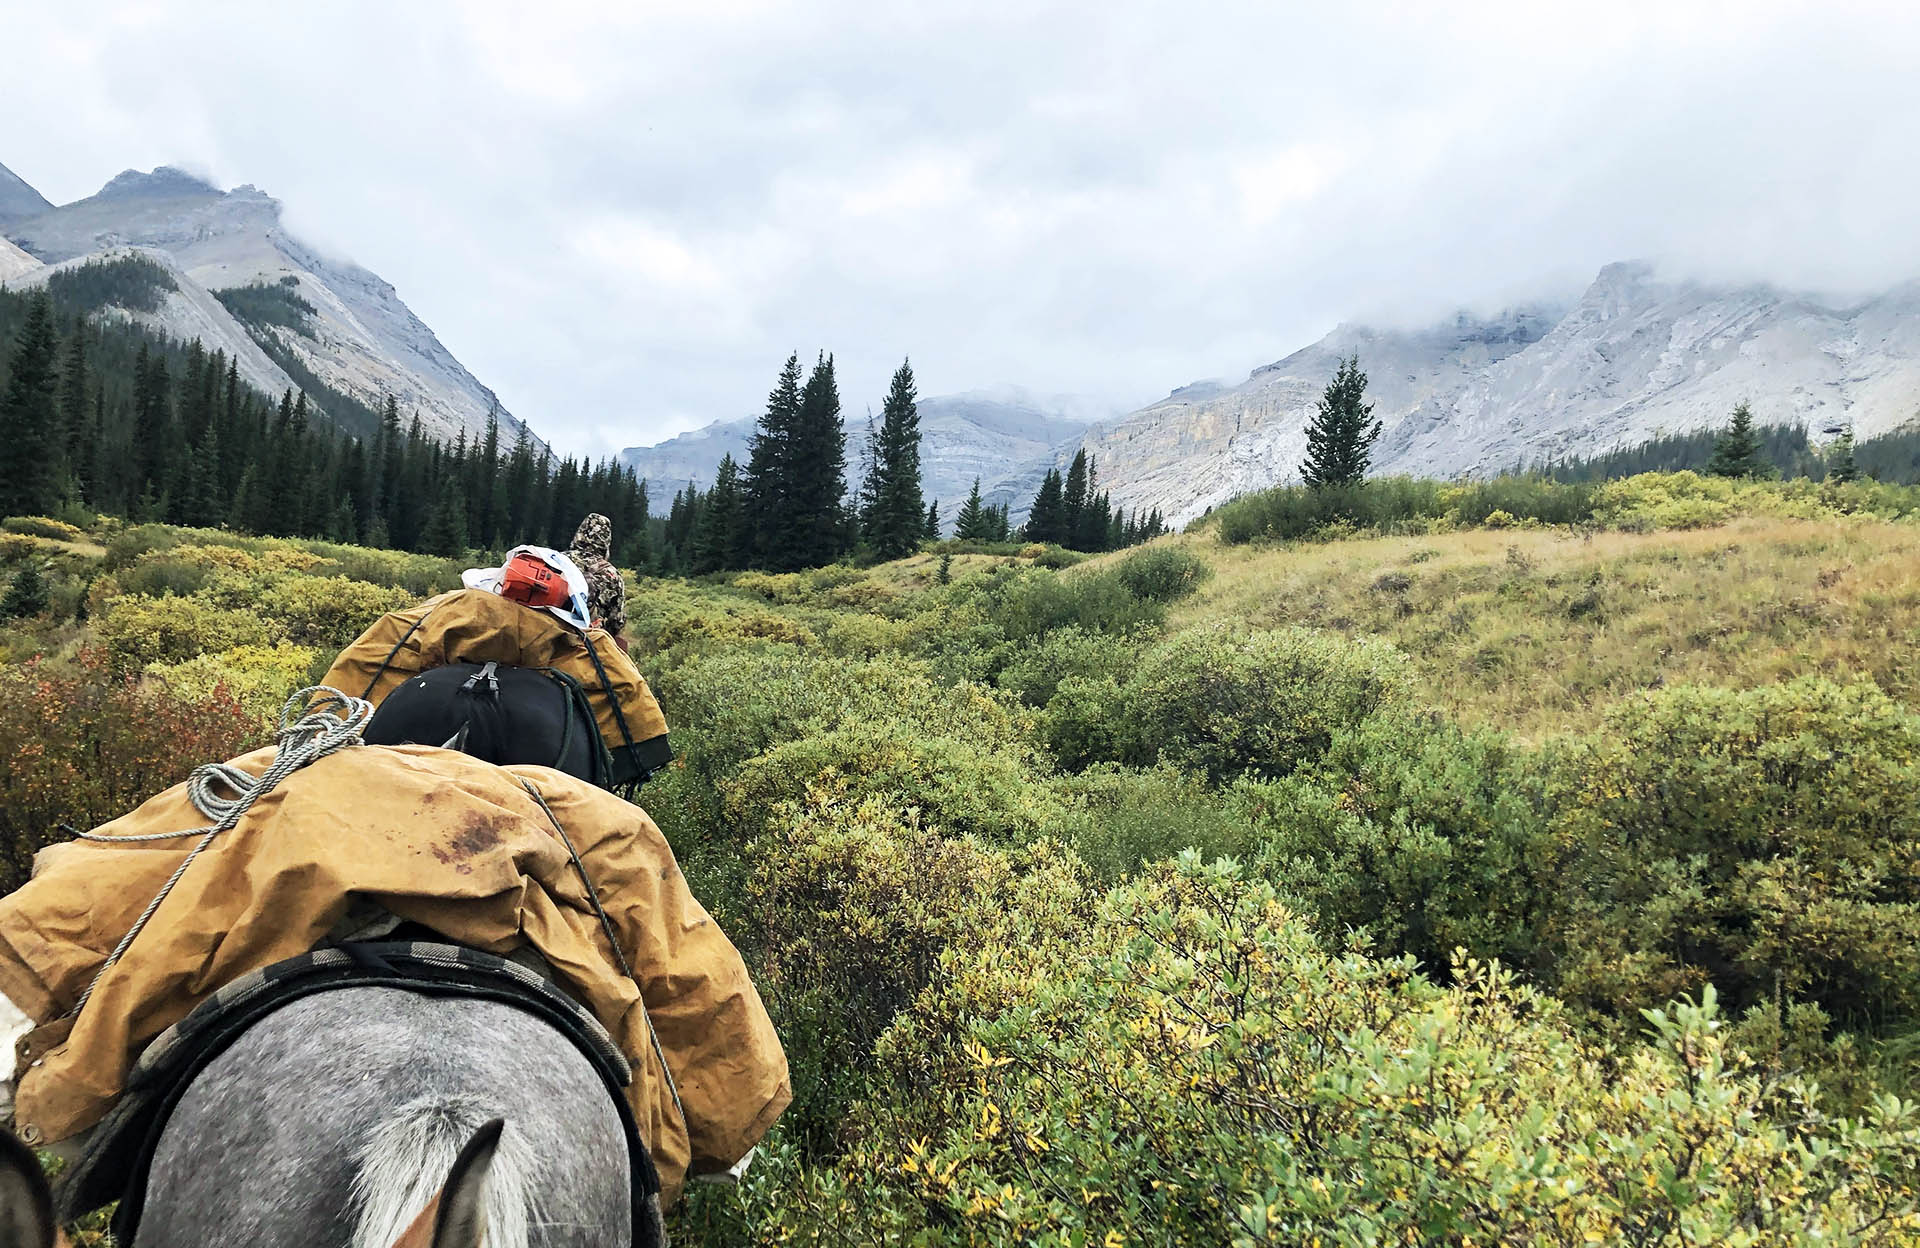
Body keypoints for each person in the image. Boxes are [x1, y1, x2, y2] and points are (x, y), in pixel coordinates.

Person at [569, 513, 628, 646]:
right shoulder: (612, 575)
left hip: (549, 628)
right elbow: (615, 621)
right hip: (587, 640)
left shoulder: (559, 560)